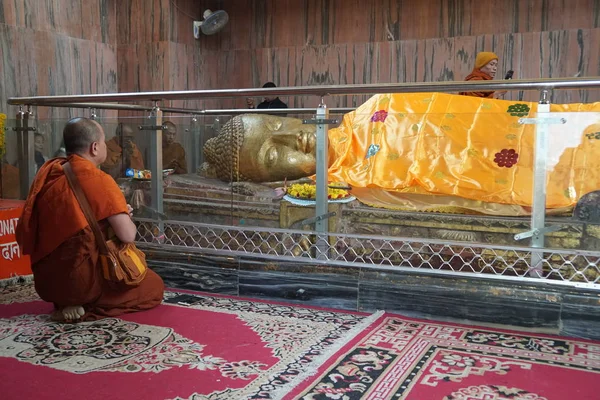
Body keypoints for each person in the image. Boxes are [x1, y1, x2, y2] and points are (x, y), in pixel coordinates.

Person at [200, 92, 600, 215]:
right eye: (273, 157)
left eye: (275, 128)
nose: (292, 140)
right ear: (278, 181)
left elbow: (471, 116)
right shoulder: (362, 184)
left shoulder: (375, 106)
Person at [16, 117, 164, 322]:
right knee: (154, 287)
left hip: (47, 282)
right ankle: (89, 306)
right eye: (103, 142)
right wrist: (125, 216)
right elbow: (128, 235)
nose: (105, 146)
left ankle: (67, 301)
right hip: (83, 281)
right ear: (95, 147)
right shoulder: (100, 180)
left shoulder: (49, 173)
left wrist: (113, 214)